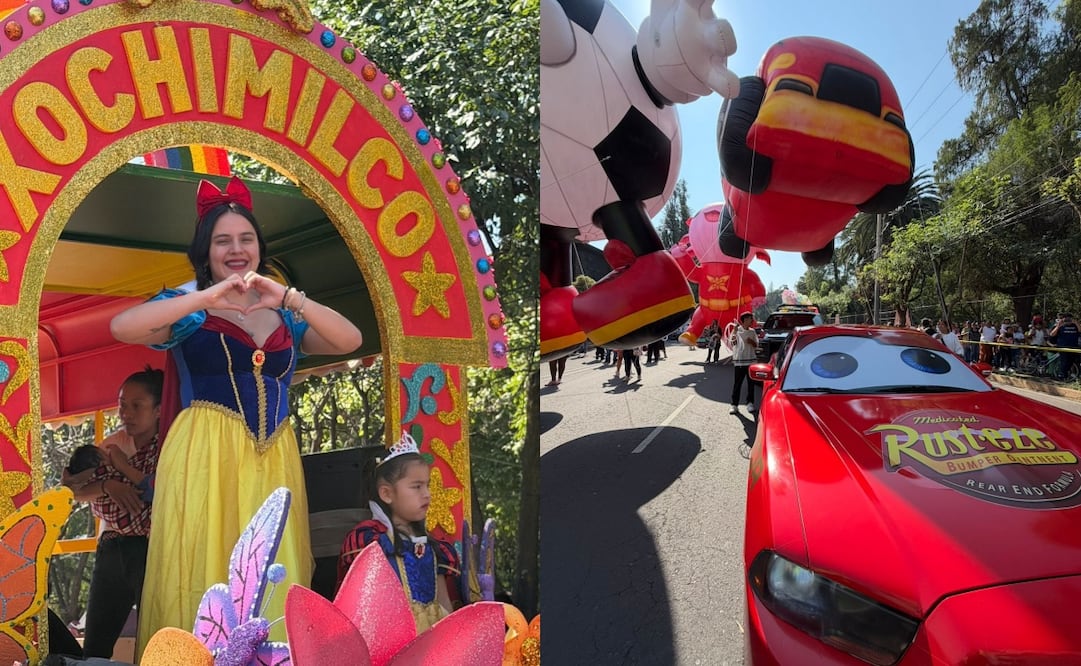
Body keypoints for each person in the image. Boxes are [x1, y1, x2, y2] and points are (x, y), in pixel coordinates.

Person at [109, 176, 364, 653]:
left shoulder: (285, 315)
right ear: (205, 251)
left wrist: (288, 297)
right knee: (206, 561)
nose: (236, 249)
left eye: (246, 239)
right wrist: (207, 297)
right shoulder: (189, 310)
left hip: (274, 457)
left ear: (259, 247)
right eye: (222, 241)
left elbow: (349, 340)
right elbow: (122, 327)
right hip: (205, 455)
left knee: (273, 566)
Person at [60, 367, 164, 659]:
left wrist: (121, 472)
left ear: (158, 410)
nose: (126, 413)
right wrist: (109, 486)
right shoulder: (112, 444)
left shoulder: (168, 446)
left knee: (153, 638)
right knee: (95, 645)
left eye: (136, 406)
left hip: (150, 549)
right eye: (121, 406)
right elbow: (75, 490)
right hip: (111, 549)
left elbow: (155, 490)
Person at [336, 432, 460, 633]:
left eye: (427, 485)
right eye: (416, 487)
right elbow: (358, 605)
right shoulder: (371, 541)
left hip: (431, 640)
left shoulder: (434, 547)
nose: (427, 494)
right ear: (386, 493)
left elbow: (444, 603)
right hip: (387, 638)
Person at [729, 312, 758, 415]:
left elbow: (756, 345)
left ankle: (750, 403)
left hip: (751, 361)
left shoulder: (752, 332)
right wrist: (735, 332)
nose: (752, 320)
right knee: (737, 384)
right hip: (739, 362)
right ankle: (734, 405)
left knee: (751, 384)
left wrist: (751, 342)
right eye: (750, 318)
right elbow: (733, 343)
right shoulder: (737, 330)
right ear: (745, 319)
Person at [1049, 313, 1080, 380]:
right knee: (1064, 361)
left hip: (1073, 347)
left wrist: (1076, 323)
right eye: (1066, 318)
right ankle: (1061, 375)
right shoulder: (1060, 326)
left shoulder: (1075, 326)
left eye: (1069, 318)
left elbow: (1080, 331)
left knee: (1072, 361)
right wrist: (1058, 326)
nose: (1068, 320)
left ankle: (1067, 375)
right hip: (1063, 347)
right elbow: (1052, 334)